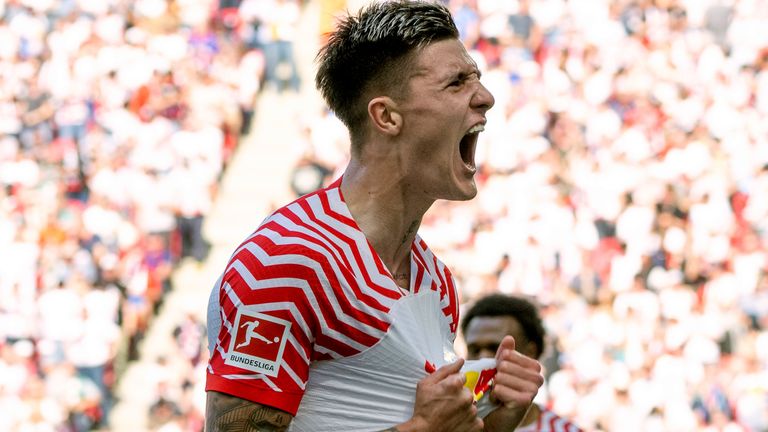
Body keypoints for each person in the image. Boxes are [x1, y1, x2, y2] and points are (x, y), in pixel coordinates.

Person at [204, 1, 544, 431]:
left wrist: (498, 419)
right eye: (456, 83)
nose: (486, 97)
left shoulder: (434, 281)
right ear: (386, 116)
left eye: (476, 78)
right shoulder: (288, 262)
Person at [462, 294, 583, 432]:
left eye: (495, 348)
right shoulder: (447, 424)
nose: (482, 358)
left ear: (530, 352)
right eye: (474, 349)